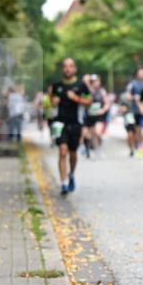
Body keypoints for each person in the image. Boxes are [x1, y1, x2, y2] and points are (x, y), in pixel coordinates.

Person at [50, 58, 91, 195]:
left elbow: (89, 101)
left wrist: (77, 99)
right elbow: (50, 102)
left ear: (75, 69)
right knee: (62, 151)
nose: (68, 69)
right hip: (60, 123)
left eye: (70, 66)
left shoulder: (81, 86)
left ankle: (71, 174)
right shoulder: (56, 85)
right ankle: (63, 183)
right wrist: (53, 102)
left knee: (73, 153)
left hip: (75, 123)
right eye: (65, 66)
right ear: (63, 69)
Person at [83, 75, 112, 158]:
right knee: (88, 134)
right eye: (93, 81)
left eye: (97, 81)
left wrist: (102, 110)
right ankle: (92, 149)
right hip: (89, 116)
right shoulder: (87, 91)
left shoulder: (102, 91)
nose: (95, 83)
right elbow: (83, 102)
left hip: (99, 116)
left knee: (97, 132)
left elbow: (107, 103)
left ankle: (98, 149)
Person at [127, 68, 143, 157]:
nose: (141, 75)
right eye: (140, 73)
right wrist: (134, 98)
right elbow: (128, 96)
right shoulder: (133, 84)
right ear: (137, 74)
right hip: (136, 111)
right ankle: (139, 147)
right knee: (138, 130)